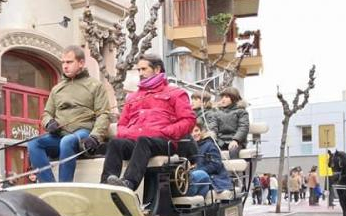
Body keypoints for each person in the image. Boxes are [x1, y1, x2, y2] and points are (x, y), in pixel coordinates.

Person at [101, 54, 196, 191]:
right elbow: (122, 124)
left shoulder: (176, 93)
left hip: (163, 142)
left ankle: (128, 183)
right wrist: (127, 133)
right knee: (115, 143)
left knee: (144, 141)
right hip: (137, 140)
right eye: (139, 70)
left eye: (144, 69)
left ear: (157, 69)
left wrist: (166, 132)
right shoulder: (133, 97)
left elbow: (189, 120)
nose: (140, 73)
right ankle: (106, 184)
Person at [29, 45, 111, 182]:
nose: (65, 66)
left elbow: (103, 114)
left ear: (81, 63)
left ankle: (64, 185)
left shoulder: (95, 86)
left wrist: (95, 137)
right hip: (59, 136)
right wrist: (49, 123)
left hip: (82, 135)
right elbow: (46, 113)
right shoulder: (57, 89)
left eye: (69, 62)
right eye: (63, 62)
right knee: (34, 144)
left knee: (67, 141)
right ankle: (50, 186)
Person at [187, 121, 232, 197]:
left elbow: (216, 165)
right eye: (191, 132)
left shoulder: (210, 145)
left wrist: (197, 170)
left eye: (196, 130)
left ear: (202, 131)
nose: (194, 134)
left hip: (213, 178)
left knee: (199, 176)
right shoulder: (189, 148)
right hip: (196, 176)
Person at [208, 87, 250, 159]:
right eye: (222, 97)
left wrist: (236, 140)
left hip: (236, 141)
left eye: (227, 97)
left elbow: (243, 127)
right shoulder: (216, 113)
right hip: (220, 141)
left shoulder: (241, 112)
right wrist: (212, 136)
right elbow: (213, 127)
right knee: (209, 149)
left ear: (234, 98)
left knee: (233, 150)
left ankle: (235, 170)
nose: (223, 99)